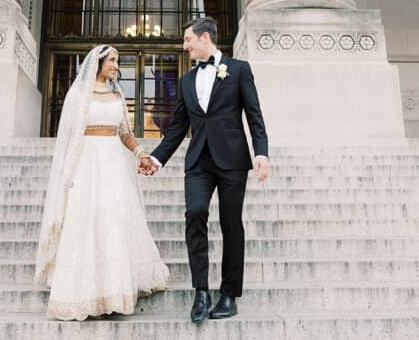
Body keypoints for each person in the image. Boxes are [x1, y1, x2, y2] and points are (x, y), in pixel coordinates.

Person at [141, 16, 270, 323]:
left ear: (203, 38)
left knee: (230, 223)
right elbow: (177, 128)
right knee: (195, 213)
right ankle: (201, 291)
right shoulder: (186, 81)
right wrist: (156, 159)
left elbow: (254, 115)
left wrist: (261, 153)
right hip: (199, 161)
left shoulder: (239, 70)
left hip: (232, 160)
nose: (184, 46)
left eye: (187, 40)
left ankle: (229, 295)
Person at [35, 45, 170, 320]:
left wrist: (141, 153)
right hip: (86, 165)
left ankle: (115, 288)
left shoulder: (119, 95)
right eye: (112, 60)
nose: (116, 65)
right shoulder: (77, 96)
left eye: (117, 61)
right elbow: (68, 137)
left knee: (115, 218)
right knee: (86, 221)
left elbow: (125, 133)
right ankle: (84, 291)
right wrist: (68, 174)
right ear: (97, 63)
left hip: (114, 165)